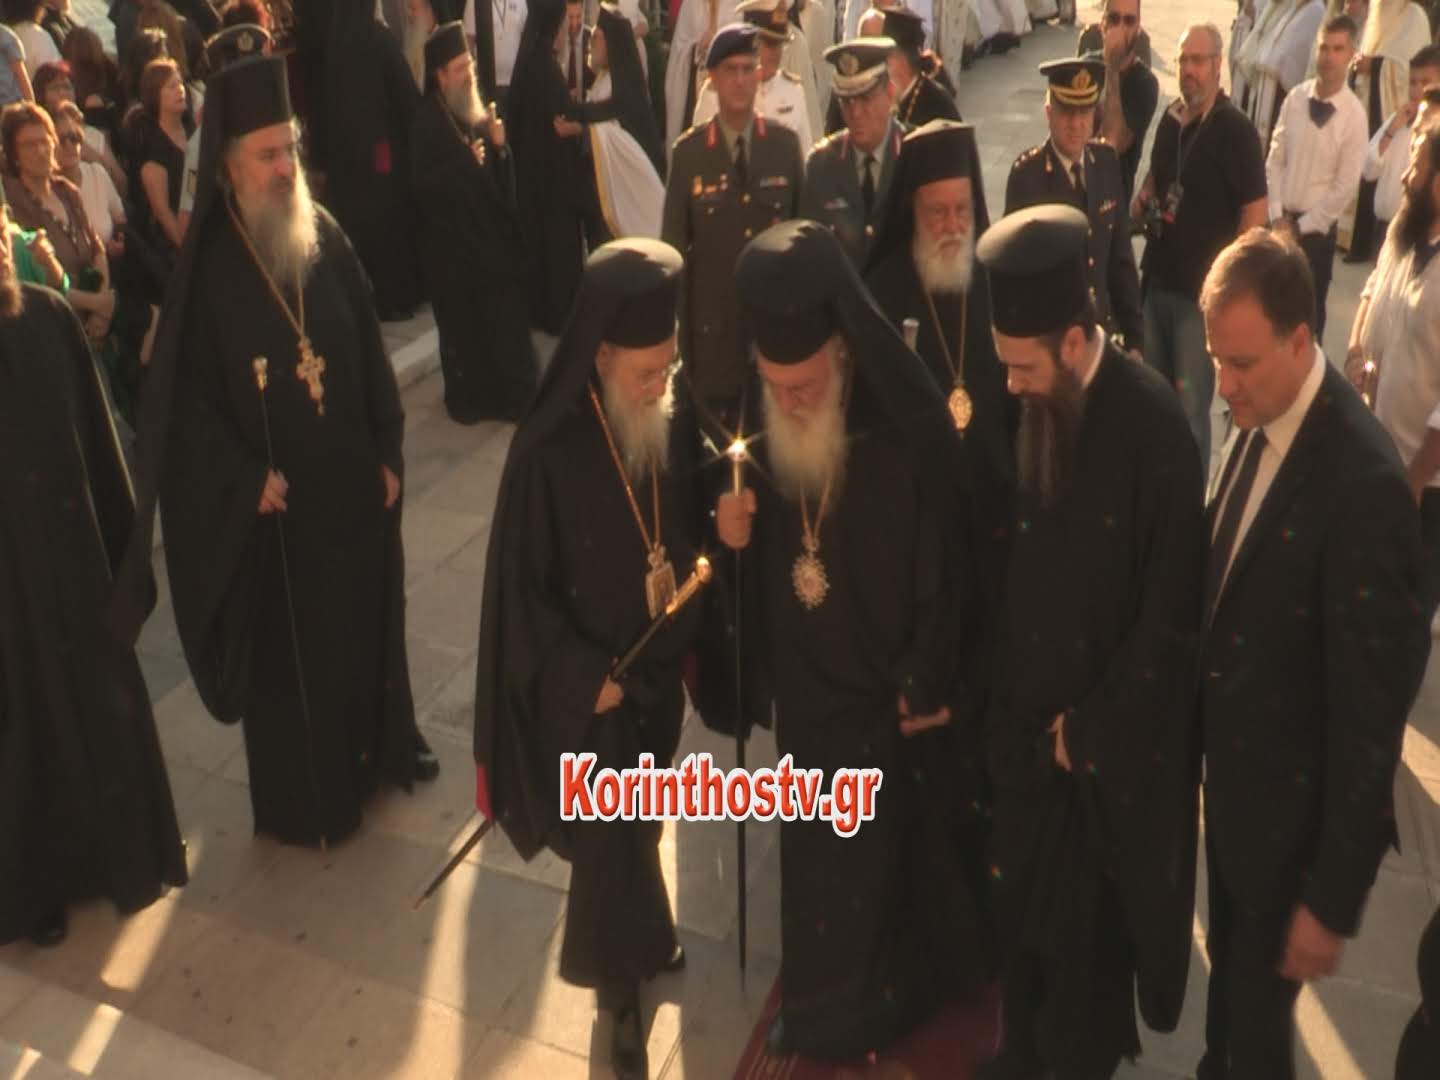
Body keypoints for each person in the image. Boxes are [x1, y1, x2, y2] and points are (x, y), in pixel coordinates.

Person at [115, 54, 439, 848]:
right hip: (280, 521)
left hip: (351, 494)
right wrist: (240, 477)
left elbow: (366, 351)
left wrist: (388, 447)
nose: (286, 168)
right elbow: (181, 411)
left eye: (289, 147)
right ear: (227, 167)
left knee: (365, 634)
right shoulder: (207, 274)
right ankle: (314, 801)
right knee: (304, 666)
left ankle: (378, 755)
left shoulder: (322, 232)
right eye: (267, 155)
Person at [714, 219, 992, 1062]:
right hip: (806, 691)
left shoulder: (899, 420)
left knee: (879, 863)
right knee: (811, 857)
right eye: (776, 385)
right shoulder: (761, 407)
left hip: (879, 694)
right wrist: (729, 532)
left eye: (803, 386)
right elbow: (746, 533)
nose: (790, 402)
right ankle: (817, 1004)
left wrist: (922, 674)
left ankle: (882, 1005)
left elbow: (944, 559)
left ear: (839, 352)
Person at [974, 204, 1204, 1080]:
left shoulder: (1156, 431)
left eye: (1022, 366)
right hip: (1025, 753)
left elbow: (1169, 624)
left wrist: (1086, 734)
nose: (1010, 386)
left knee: (1081, 987)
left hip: (1098, 778)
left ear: (1074, 343)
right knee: (1022, 954)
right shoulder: (1036, 400)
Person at [1196, 227, 1428, 1079]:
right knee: (1228, 1030)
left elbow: (1372, 721)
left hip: (1288, 844)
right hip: (1235, 810)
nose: (1223, 385)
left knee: (1255, 1048)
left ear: (1301, 340)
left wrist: (1330, 901)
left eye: (1240, 363)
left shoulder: (1363, 489)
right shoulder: (1260, 412)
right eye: (1216, 361)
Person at [473, 239, 705, 1080]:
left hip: (654, 677)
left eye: (668, 366)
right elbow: (521, 598)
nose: (659, 384)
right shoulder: (547, 453)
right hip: (594, 693)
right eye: (646, 372)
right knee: (611, 840)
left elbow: (687, 518)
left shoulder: (667, 413)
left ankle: (651, 935)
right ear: (601, 356)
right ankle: (619, 1000)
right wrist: (581, 679)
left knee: (640, 818)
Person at [0, 192, 187, 950]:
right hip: (9, 603)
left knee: (98, 720)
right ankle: (34, 890)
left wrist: (127, 572)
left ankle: (121, 863)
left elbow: (103, 459)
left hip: (76, 576)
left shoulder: (47, 320)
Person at [865, 119, 1016, 597]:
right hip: (914, 525)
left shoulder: (995, 279)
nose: (952, 226)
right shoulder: (883, 292)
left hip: (992, 511)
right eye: (937, 213)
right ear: (911, 209)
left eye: (961, 210)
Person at [1132, 22, 1268, 474]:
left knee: (1191, 413)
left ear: (1217, 65)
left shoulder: (1236, 131)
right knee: (1153, 403)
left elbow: (1255, 215)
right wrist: (1143, 199)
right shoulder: (1171, 120)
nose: (1188, 70)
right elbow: (1155, 179)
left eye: (1197, 61)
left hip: (1200, 300)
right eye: (1182, 61)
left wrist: (1232, 292)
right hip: (1156, 284)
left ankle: (1190, 501)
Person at [662, 22, 802, 429]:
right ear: (712, 78)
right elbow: (673, 253)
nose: (740, 80)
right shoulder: (689, 155)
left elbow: (801, 242)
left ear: (758, 73)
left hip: (772, 335)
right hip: (712, 343)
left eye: (747, 69)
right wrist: (679, 344)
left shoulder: (784, 147)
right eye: (730, 70)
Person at [412, 21, 536, 422]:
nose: (468, 75)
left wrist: (500, 150)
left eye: (469, 66)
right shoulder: (426, 123)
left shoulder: (473, 112)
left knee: (504, 322)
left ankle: (513, 399)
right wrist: (464, 165)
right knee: (468, 334)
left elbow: (498, 181)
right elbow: (421, 190)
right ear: (440, 76)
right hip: (453, 253)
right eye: (460, 69)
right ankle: (475, 402)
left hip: (488, 245)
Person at [1348, 126, 1440, 615]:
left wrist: (1417, 479)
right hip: (1376, 456)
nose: (1405, 176)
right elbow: (1370, 292)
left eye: (1418, 166)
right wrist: (1355, 349)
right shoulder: (1403, 231)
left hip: (1424, 486)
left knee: (1402, 615)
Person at [1006, 57, 1144, 355]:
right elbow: (1016, 274)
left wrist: (1135, 340)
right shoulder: (1027, 176)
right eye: (1067, 112)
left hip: (1099, 338)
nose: (1076, 124)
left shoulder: (1105, 163)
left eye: (1084, 112)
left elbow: (1120, 260)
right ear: (1049, 113)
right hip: (1051, 342)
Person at [1265, 15, 1368, 341]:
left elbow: (1344, 187)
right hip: (1279, 225)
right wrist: (1277, 216)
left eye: (1338, 49)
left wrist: (1300, 227)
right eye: (1324, 47)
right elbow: (1275, 158)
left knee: (1306, 326)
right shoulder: (1295, 98)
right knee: (1270, 317)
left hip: (1315, 236)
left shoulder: (1354, 116)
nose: (1328, 56)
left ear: (1351, 54)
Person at [324, 1, 427, 322]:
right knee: (390, 219)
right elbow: (406, 96)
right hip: (383, 150)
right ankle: (397, 297)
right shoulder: (379, 40)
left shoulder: (334, 46)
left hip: (348, 157)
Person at [508, 0, 592, 333]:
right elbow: (561, 122)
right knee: (556, 249)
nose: (565, 31)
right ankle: (558, 315)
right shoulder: (546, 69)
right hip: (554, 179)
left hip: (532, 177)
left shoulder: (529, 64)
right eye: (561, 25)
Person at [1340, 0, 1430, 260]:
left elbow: (1413, 70)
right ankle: (1351, 239)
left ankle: (1368, 242)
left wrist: (1376, 65)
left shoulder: (1415, 18)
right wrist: (1359, 65)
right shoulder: (1376, 17)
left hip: (1394, 116)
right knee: (1365, 163)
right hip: (1367, 108)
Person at [801, 36, 902, 268]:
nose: (855, 113)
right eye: (846, 101)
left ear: (890, 93)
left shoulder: (915, 153)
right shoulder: (820, 166)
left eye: (866, 98)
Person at [567, 2, 665, 236]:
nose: (591, 41)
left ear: (611, 43)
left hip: (628, 195)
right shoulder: (604, 79)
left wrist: (580, 128)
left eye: (597, 37)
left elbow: (611, 132)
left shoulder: (620, 87)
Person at [693, 0, 817, 151]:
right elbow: (699, 152)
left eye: (779, 44)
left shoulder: (793, 91)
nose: (776, 52)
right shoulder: (718, 91)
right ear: (752, 45)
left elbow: (805, 153)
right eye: (769, 44)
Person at [1361, 44, 1440, 255]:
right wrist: (1391, 131)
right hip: (1382, 225)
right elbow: (1368, 171)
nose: (1416, 90)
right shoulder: (1397, 121)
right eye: (1412, 82)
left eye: (1425, 82)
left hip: (1414, 227)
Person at [1077, 0, 1157, 199]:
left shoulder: (1144, 83)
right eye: (1114, 19)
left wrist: (1111, 68)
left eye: (1129, 21)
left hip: (1111, 199)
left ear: (1138, 28)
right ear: (1102, 24)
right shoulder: (1084, 66)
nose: (1120, 28)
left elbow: (1113, 142)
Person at [1232, 0, 1326, 149]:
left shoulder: (1315, 11)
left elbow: (1301, 62)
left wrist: (1274, 65)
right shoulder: (1290, 7)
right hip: (1264, 93)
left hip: (1282, 98)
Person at [884, 5, 960, 127]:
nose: (882, 67)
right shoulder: (901, 95)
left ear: (901, 62)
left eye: (885, 60)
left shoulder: (935, 103)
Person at [5, 0, 59, 79]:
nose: (45, 13)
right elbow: (56, 77)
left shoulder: (6, 34)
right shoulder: (40, 37)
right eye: (43, 6)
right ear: (35, 7)